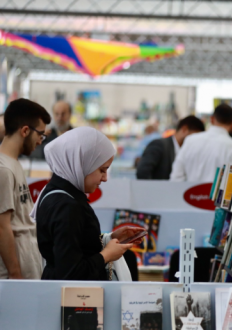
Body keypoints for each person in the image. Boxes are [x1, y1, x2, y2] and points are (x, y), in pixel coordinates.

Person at [33, 127, 145, 281]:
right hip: (74, 300)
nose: (105, 178)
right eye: (102, 170)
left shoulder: (59, 192)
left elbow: (73, 242)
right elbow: (70, 273)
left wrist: (109, 238)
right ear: (82, 164)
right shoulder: (66, 206)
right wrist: (106, 255)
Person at [0, 99, 50, 279]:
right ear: (25, 131)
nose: (40, 141)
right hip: (13, 278)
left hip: (26, 271)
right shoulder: (3, 169)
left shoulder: (14, 164)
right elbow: (2, 226)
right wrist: (15, 273)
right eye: (40, 135)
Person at [170, 104, 232, 182]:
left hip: (189, 193)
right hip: (219, 194)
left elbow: (176, 176)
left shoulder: (190, 140)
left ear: (212, 119)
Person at [136, 115, 205, 180]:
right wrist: (154, 190)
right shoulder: (159, 145)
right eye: (196, 136)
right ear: (184, 129)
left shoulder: (187, 151)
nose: (197, 140)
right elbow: (142, 172)